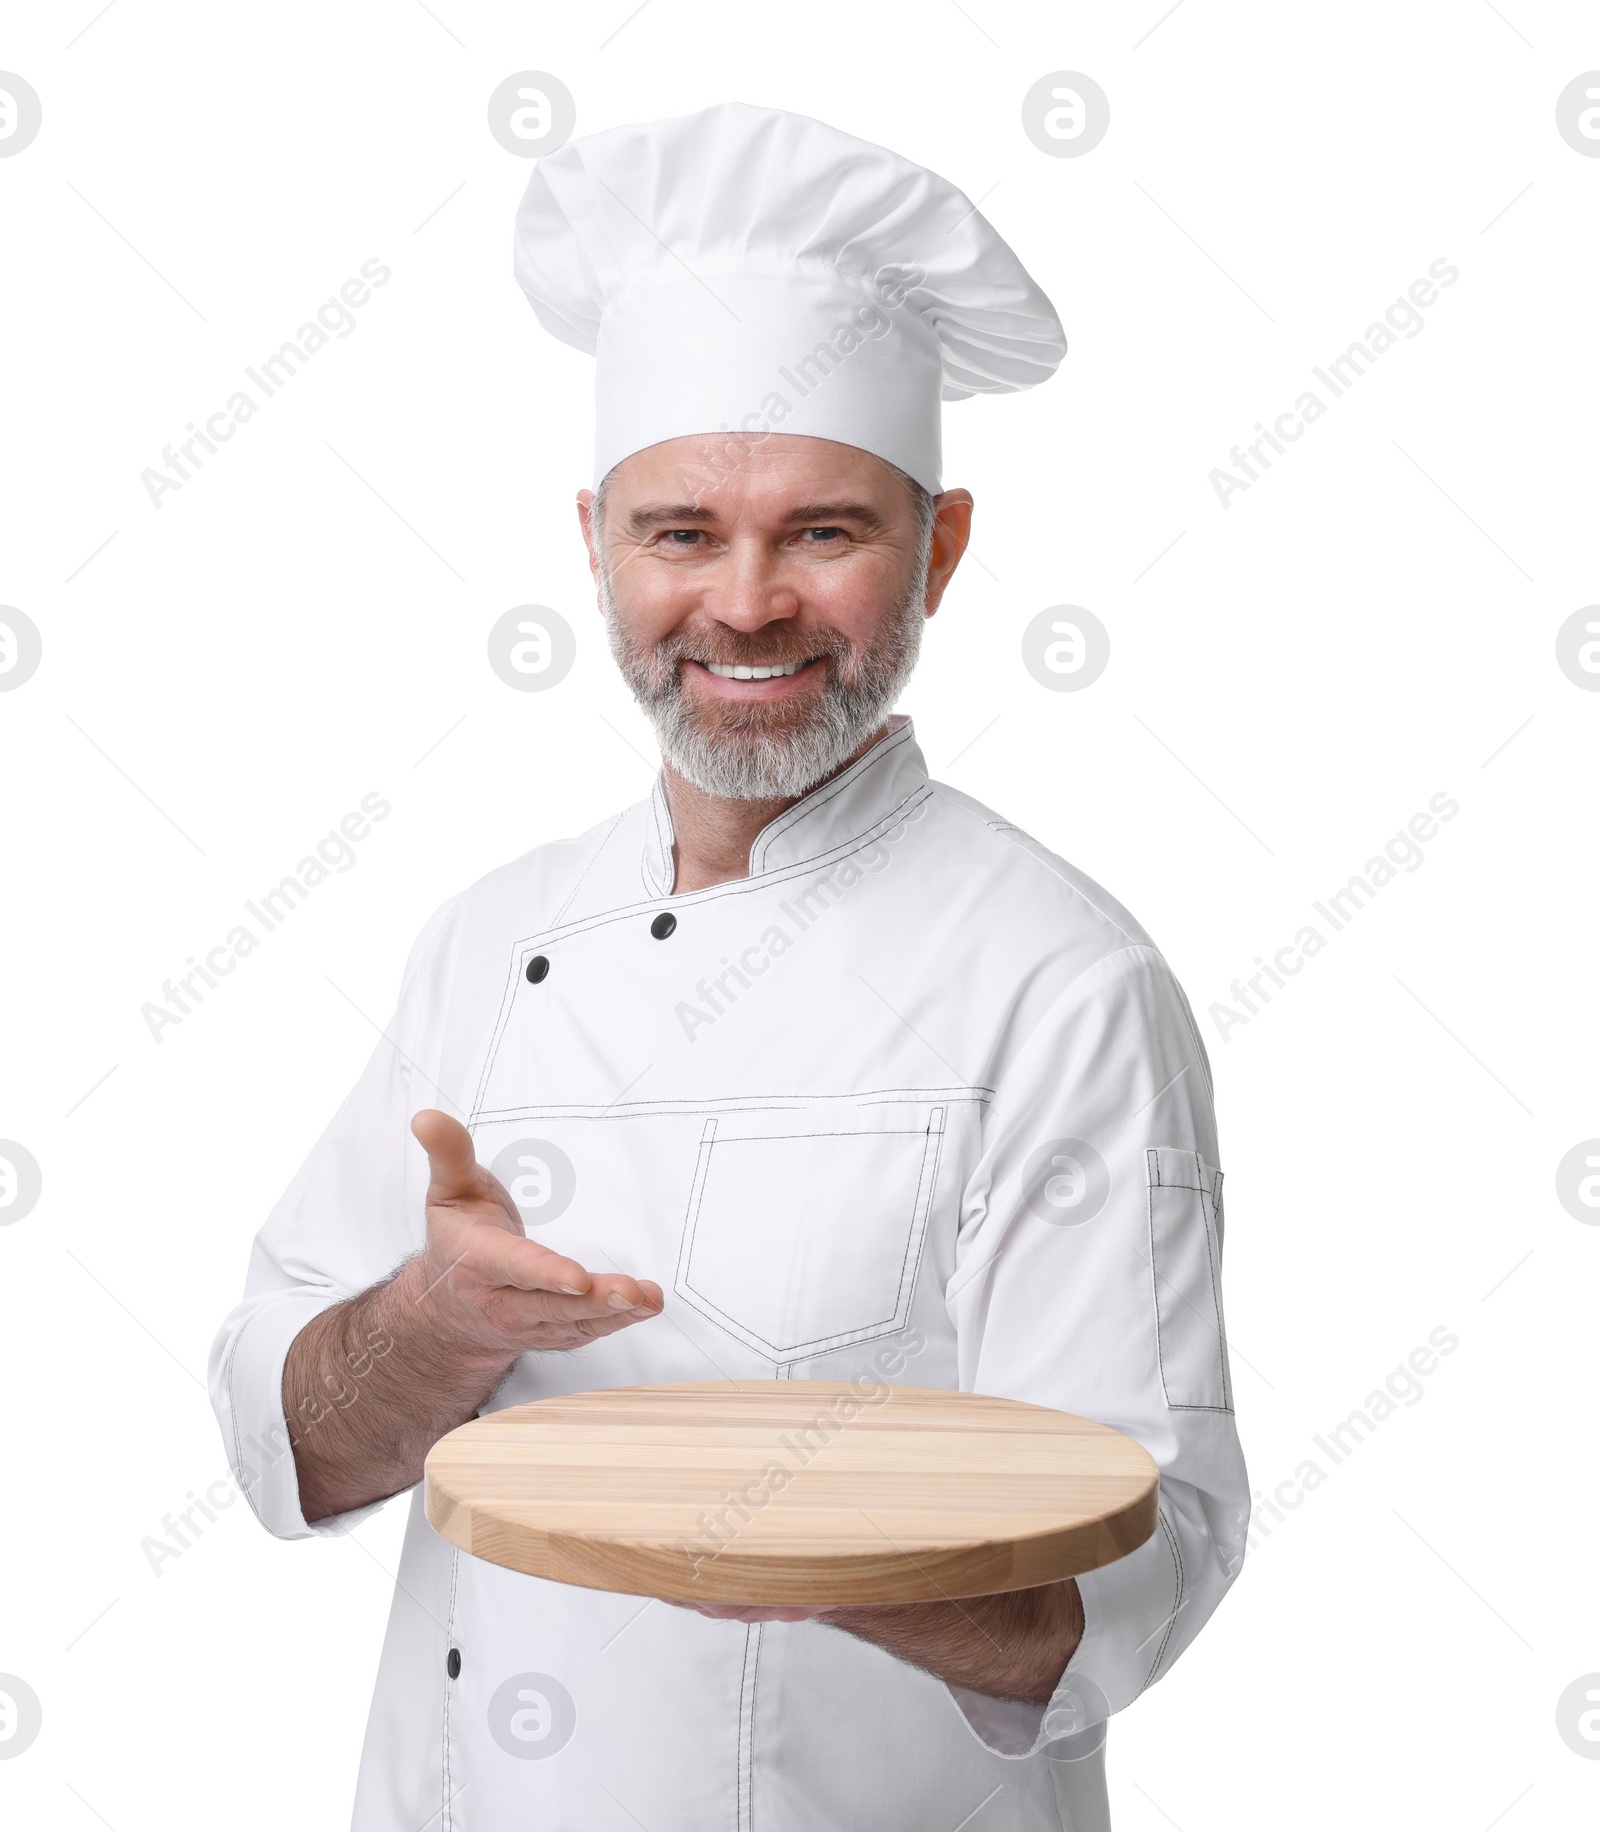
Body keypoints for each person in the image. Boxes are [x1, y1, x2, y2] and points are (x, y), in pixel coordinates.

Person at [209, 101, 1248, 1832]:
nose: (748, 605)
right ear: (595, 546)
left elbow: (1150, 1564)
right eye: (682, 531)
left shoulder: (1060, 981)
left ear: (946, 547)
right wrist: (428, 1323)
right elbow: (286, 1447)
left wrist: (796, 1550)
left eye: (825, 533)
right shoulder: (489, 939)